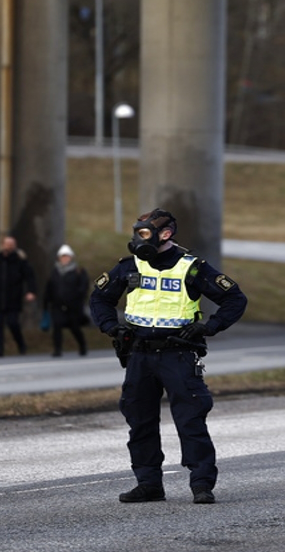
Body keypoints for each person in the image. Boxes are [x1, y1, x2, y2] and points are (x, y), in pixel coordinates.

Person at [89, 208, 248, 505]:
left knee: (190, 421)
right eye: (137, 233)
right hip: (139, 355)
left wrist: (209, 327)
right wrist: (112, 328)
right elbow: (99, 297)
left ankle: (201, 484)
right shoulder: (128, 266)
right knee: (140, 421)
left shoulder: (192, 268)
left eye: (145, 233)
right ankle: (148, 484)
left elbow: (234, 298)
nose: (139, 239)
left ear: (165, 234)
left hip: (179, 355)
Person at [0, 235, 37, 357]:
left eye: (11, 244)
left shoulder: (20, 261)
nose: (9, 246)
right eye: (7, 244)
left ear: (15, 246)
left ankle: (21, 344)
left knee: (13, 323)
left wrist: (31, 291)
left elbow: (29, 277)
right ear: (2, 245)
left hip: (13, 299)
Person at [43, 244, 90, 357]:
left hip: (73, 306)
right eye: (62, 257)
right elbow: (49, 288)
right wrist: (46, 303)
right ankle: (57, 349)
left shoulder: (78, 271)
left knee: (75, 327)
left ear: (71, 257)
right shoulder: (55, 271)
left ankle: (82, 346)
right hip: (57, 305)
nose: (65, 259)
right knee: (57, 327)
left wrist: (78, 298)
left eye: (67, 256)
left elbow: (83, 287)